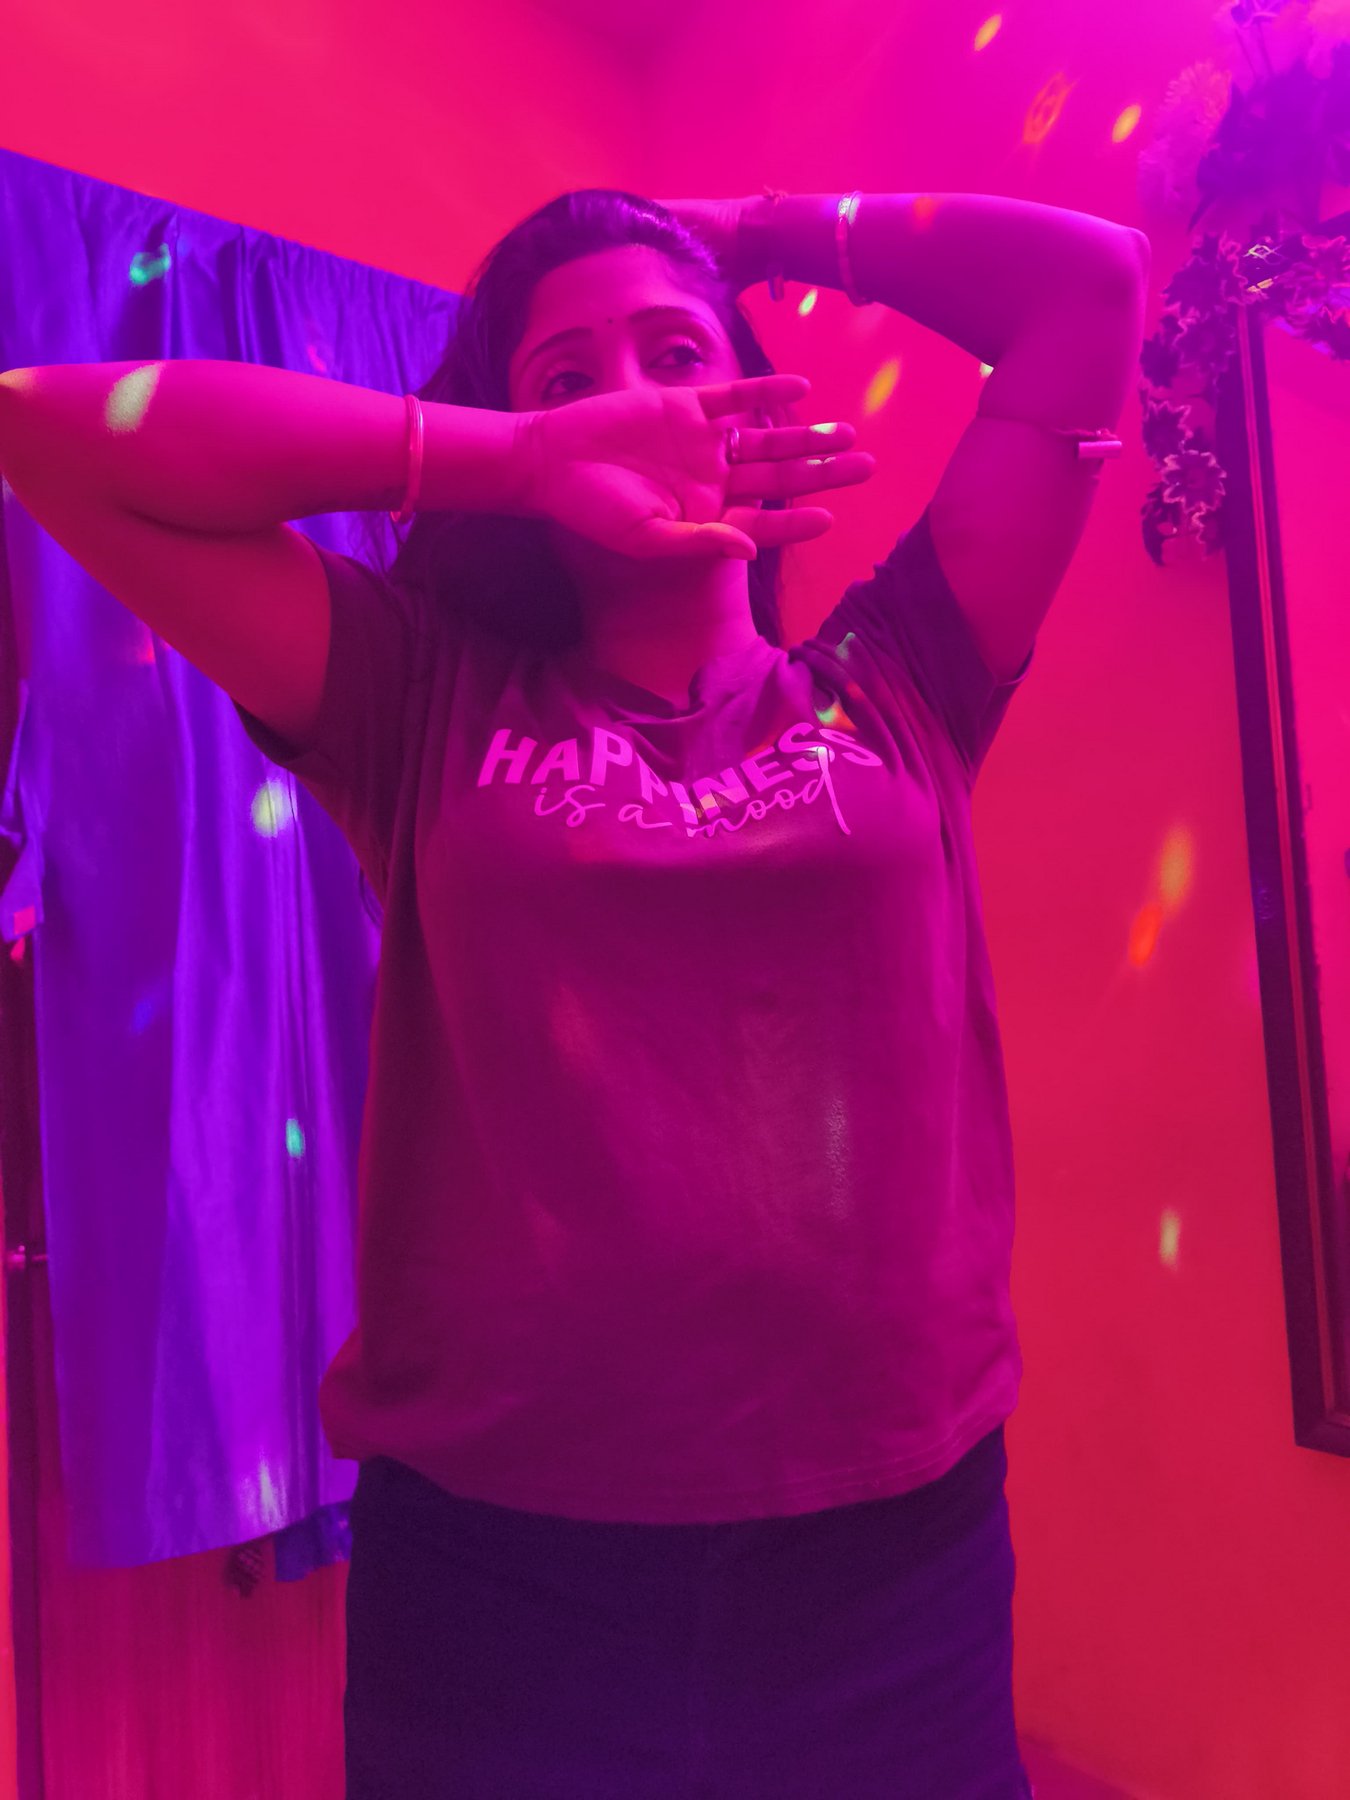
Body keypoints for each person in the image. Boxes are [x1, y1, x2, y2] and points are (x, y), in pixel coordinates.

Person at [0, 186, 1147, 1798]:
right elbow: (60, 431)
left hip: (888, 1564)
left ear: (750, 403)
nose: (632, 401)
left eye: (676, 356)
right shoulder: (419, 694)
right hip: (503, 1585)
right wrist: (516, 455)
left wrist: (757, 229)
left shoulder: (900, 674)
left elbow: (1088, 288)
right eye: (567, 376)